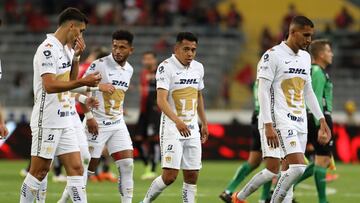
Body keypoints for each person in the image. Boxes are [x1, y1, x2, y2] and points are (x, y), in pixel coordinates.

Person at [232, 16, 331, 203]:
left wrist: (321, 120)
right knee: (299, 168)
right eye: (306, 35)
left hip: (299, 120)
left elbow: (308, 90)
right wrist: (268, 124)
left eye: (311, 36)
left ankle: (239, 197)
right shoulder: (272, 55)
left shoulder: (305, 57)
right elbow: (262, 90)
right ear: (293, 32)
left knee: (283, 172)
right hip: (279, 120)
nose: (309, 40)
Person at [19, 7, 101, 203]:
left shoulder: (66, 49)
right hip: (47, 120)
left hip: (65, 119)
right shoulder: (47, 49)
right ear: (71, 26)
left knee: (76, 168)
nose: (81, 35)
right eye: (80, 31)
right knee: (39, 171)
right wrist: (84, 82)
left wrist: (76, 58)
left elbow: (69, 83)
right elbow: (50, 85)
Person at [140, 32, 209, 203]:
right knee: (170, 176)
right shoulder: (165, 67)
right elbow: (161, 101)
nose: (190, 54)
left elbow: (198, 95)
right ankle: (145, 201)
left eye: (193, 50)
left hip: (192, 128)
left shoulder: (198, 67)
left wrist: (204, 123)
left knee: (192, 175)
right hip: (172, 128)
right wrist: (178, 122)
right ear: (176, 48)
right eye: (186, 49)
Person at [83, 30, 135, 203]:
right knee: (86, 171)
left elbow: (117, 96)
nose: (118, 50)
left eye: (122, 47)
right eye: (115, 46)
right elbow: (77, 89)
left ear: (130, 50)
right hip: (96, 124)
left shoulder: (129, 69)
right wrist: (89, 115)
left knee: (127, 164)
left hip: (117, 123)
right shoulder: (99, 65)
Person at [294, 39, 334, 203]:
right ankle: (323, 201)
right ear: (320, 54)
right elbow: (315, 96)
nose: (332, 54)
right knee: (322, 159)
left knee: (318, 161)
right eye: (329, 50)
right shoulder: (317, 71)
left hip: (315, 117)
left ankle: (286, 186)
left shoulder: (316, 70)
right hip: (320, 117)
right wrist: (321, 124)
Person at [219, 80, 272, 203]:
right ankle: (264, 199)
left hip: (257, 117)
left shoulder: (261, 76)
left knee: (254, 161)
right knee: (272, 162)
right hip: (267, 120)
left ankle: (228, 190)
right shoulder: (270, 75)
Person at [134, 51, 161, 180]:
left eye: (149, 59)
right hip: (144, 111)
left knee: (153, 140)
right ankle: (147, 165)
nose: (147, 61)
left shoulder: (160, 72)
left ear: (155, 60)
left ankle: (153, 169)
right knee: (137, 140)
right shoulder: (143, 74)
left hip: (155, 111)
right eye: (145, 59)